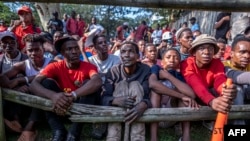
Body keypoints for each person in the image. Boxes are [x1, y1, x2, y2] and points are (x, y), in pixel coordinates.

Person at [29, 36, 102, 141]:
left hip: (81, 108)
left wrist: (73, 95)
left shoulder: (88, 67)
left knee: (89, 84)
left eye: (76, 48)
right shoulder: (55, 66)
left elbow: (97, 81)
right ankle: (58, 130)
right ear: (62, 54)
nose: (74, 52)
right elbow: (34, 84)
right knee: (45, 83)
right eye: (69, 49)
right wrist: (53, 96)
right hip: (60, 108)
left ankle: (74, 133)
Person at [0, 33, 52, 141]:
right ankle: (17, 122)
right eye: (30, 50)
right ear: (26, 50)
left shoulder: (51, 63)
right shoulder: (24, 64)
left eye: (37, 49)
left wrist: (21, 80)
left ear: (44, 49)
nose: (33, 53)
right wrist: (11, 85)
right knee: (19, 87)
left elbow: (43, 76)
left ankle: (30, 127)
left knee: (42, 85)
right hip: (29, 104)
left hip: (49, 104)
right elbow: (3, 76)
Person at [180, 34, 237, 130]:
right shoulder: (187, 63)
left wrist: (225, 89)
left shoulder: (217, 62)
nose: (207, 52)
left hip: (207, 95)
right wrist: (211, 101)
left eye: (210, 49)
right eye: (202, 48)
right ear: (194, 52)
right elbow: (195, 83)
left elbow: (219, 78)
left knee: (231, 91)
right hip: (194, 97)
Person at [102, 41, 151, 141]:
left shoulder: (145, 70)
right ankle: (113, 137)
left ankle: (137, 137)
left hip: (137, 109)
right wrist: (114, 100)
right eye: (123, 52)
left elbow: (148, 95)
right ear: (120, 56)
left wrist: (144, 104)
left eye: (131, 52)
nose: (127, 55)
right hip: (117, 111)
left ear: (138, 56)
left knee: (135, 84)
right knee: (122, 84)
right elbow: (104, 97)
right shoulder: (113, 71)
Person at [149, 48, 199, 141]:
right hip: (153, 114)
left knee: (185, 95)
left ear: (179, 63)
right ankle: (154, 137)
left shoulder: (178, 75)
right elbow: (152, 84)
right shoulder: (156, 68)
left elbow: (191, 94)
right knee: (155, 91)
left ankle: (186, 137)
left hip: (173, 115)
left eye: (175, 58)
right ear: (162, 62)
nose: (172, 60)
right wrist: (181, 96)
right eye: (168, 57)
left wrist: (168, 76)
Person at [88, 34, 120, 139]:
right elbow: (86, 68)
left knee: (107, 90)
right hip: (97, 89)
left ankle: (103, 123)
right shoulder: (91, 60)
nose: (104, 45)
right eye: (100, 43)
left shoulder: (116, 59)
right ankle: (98, 123)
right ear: (95, 47)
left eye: (105, 42)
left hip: (111, 88)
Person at [0, 31, 28, 134]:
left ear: (17, 43)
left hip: (23, 94)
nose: (8, 45)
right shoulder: (0, 60)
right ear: (1, 44)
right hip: (4, 92)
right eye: (5, 42)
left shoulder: (26, 58)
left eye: (11, 42)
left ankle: (17, 123)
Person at [223, 35, 250, 125]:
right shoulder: (223, 65)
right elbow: (235, 76)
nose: (247, 56)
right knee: (236, 88)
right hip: (229, 102)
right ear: (231, 54)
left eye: (249, 53)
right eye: (242, 52)